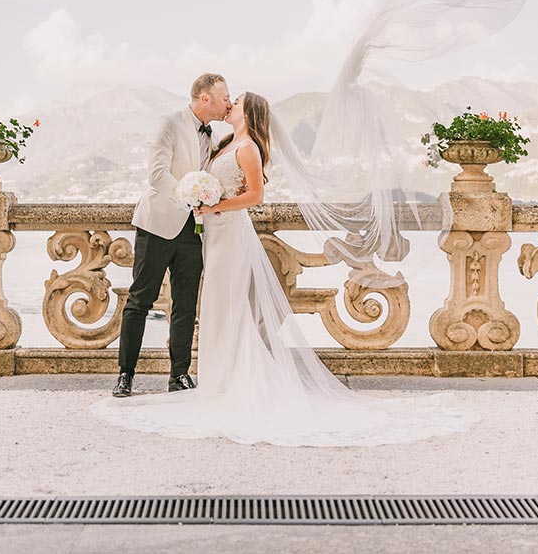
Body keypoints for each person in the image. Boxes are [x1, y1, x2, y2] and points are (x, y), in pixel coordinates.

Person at [92, 91, 479, 446]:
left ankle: (224, 383)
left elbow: (255, 195)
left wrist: (213, 207)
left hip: (227, 232)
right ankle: (212, 380)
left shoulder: (248, 147)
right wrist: (203, 201)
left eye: (236, 100)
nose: (230, 103)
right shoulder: (223, 141)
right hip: (209, 234)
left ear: (250, 112)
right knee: (214, 306)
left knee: (223, 307)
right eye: (227, 98)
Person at [112, 72, 232, 398]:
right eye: (224, 97)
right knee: (139, 300)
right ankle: (125, 375)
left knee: (186, 305)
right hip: (157, 225)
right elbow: (156, 174)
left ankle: (179, 375)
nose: (228, 103)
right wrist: (188, 194)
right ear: (205, 98)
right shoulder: (169, 123)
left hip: (193, 231)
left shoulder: (217, 136)